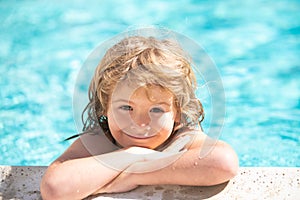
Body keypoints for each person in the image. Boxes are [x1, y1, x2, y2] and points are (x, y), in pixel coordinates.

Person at [40, 35, 239, 200]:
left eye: (156, 110)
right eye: (126, 107)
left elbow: (224, 163)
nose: (140, 123)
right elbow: (55, 188)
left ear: (178, 113)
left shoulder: (182, 138)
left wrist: (137, 173)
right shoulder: (101, 141)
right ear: (104, 107)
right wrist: (132, 155)